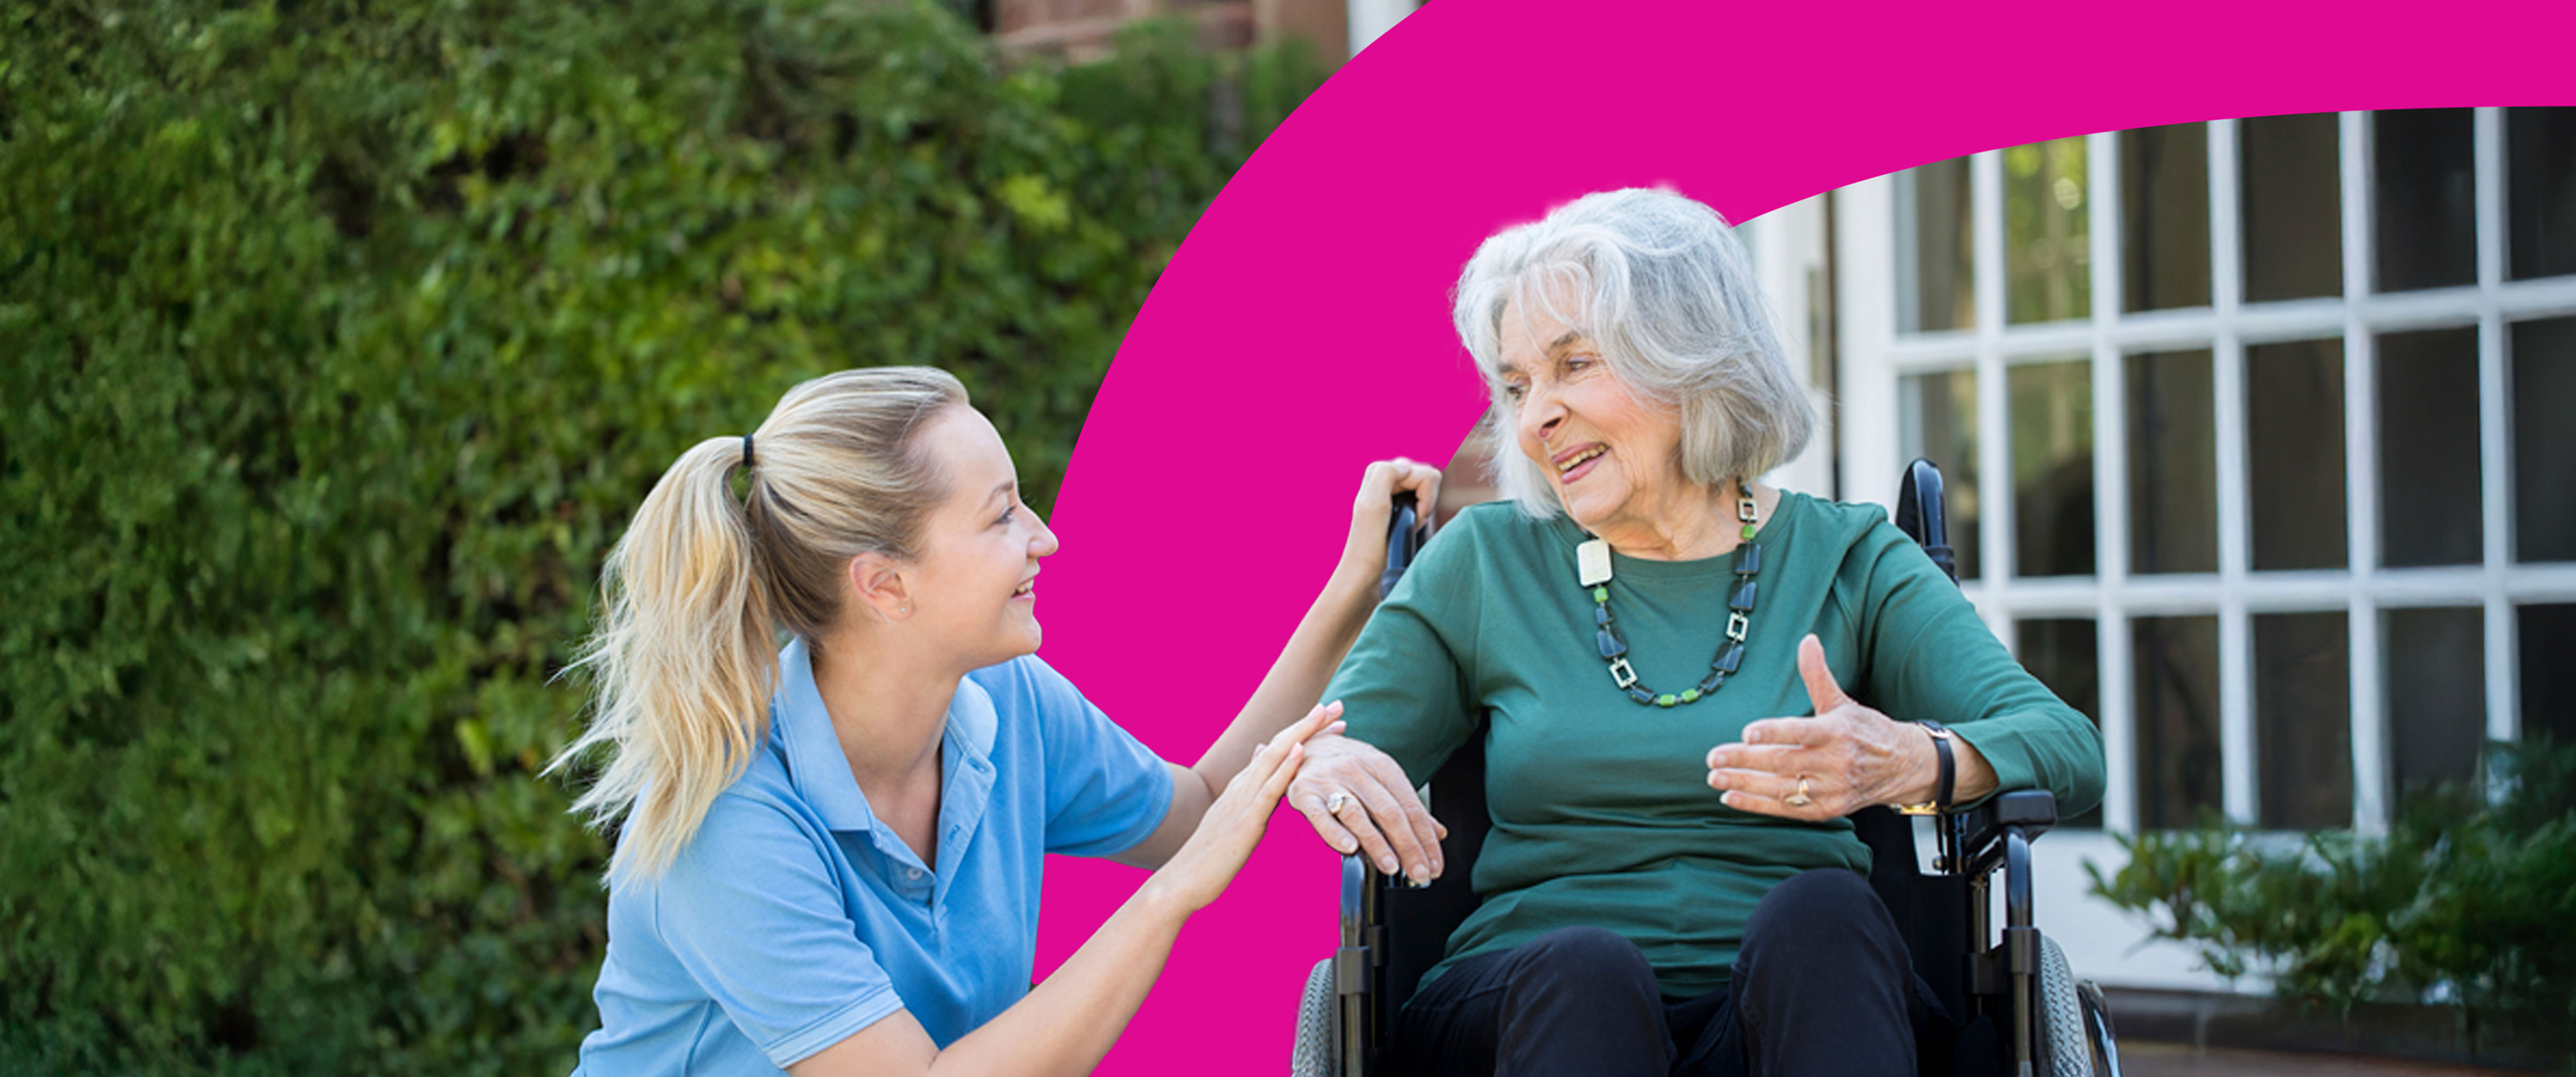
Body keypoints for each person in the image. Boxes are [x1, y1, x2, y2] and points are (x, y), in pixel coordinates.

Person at [1284, 190, 2106, 1077]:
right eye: (1518, 386)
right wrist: (1323, 764)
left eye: (1574, 364)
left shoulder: (1848, 557)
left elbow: (2066, 746)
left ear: (1688, 357)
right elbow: (1329, 746)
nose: (1533, 419)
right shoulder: (1486, 562)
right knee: (1585, 973)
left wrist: (1912, 760)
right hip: (1531, 1010)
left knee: (1827, 918)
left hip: (1800, 1009)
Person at [554, 366, 1442, 1076]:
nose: (1043, 537)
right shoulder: (728, 822)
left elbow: (1198, 809)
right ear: (884, 586)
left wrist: (1354, 588)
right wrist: (1171, 897)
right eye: (1001, 514)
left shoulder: (1005, 702)